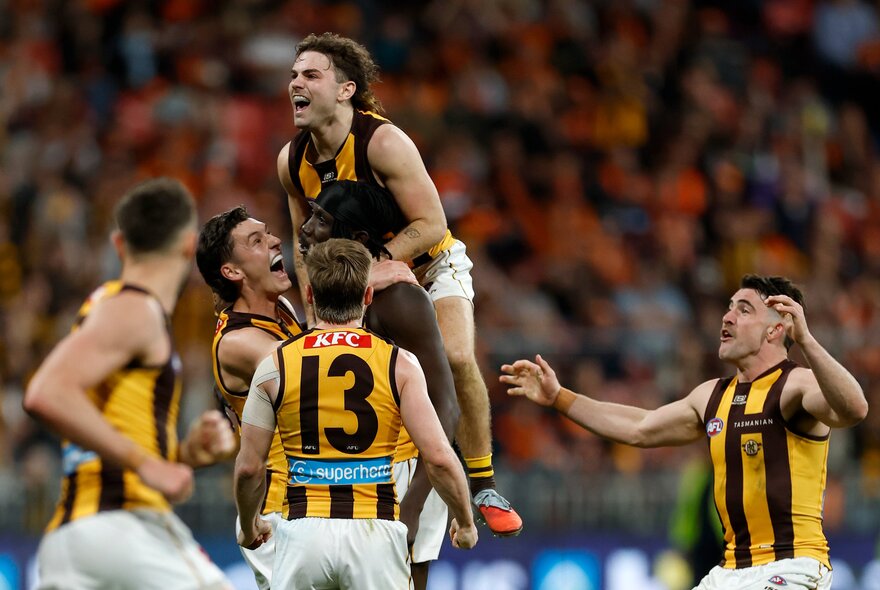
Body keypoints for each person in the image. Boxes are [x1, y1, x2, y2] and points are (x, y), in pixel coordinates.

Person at [276, 32, 522, 537]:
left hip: (429, 264)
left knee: (454, 360)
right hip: (357, 274)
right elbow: (303, 244)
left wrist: (384, 260)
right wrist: (311, 305)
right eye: (294, 75)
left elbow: (432, 223)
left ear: (345, 89)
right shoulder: (291, 161)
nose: (295, 84)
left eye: (310, 74)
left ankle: (482, 482)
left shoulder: (383, 142)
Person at [501, 274, 869, 590]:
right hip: (732, 572)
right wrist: (560, 397)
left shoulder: (797, 385)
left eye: (744, 310)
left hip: (791, 567)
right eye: (729, 307)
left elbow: (855, 408)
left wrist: (805, 340)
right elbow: (640, 427)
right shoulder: (712, 395)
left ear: (777, 328)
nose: (727, 317)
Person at [23, 178, 235, 590]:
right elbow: (46, 392)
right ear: (189, 247)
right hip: (123, 530)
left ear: (120, 245)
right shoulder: (135, 309)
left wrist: (183, 454)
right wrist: (149, 464)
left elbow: (107, 430)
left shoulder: (106, 306)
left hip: (75, 540)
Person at [235, 238, 478, 589]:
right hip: (374, 532)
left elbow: (248, 467)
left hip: (303, 533)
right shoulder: (399, 364)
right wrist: (465, 522)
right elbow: (439, 458)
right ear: (367, 296)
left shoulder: (275, 364)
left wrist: (248, 524)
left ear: (310, 296)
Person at [299, 180, 461, 590]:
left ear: (358, 238)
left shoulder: (399, 301)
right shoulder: (331, 296)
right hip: (338, 473)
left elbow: (446, 408)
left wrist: (414, 503)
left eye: (321, 220)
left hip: (401, 472)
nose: (305, 228)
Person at [195, 206, 304, 589]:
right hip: (276, 517)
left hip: (314, 499)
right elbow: (313, 368)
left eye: (269, 233)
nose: (275, 241)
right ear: (233, 272)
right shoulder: (238, 343)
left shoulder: (281, 310)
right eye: (256, 241)